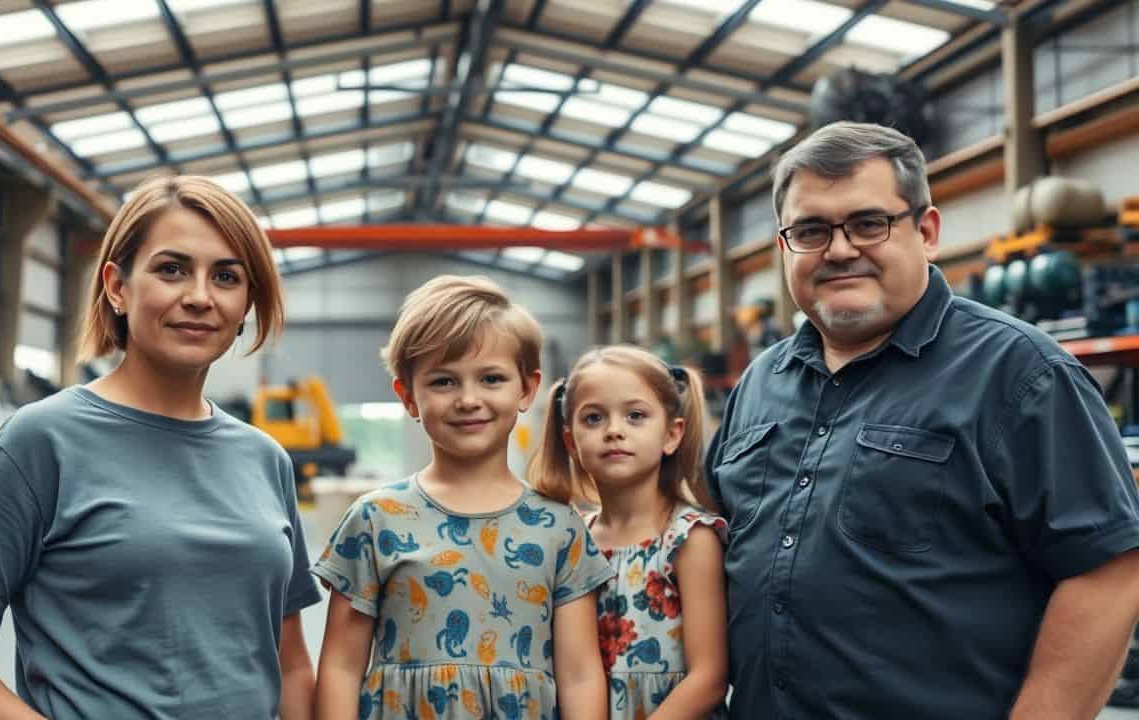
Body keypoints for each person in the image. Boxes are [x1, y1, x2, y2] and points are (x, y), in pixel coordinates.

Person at [706, 121, 1139, 718]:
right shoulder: (759, 383)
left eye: (868, 223)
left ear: (927, 231)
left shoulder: (1020, 375)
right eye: (810, 230)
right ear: (785, 247)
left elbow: (1108, 571)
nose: (839, 249)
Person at [0, 175, 321, 719]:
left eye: (226, 277)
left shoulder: (265, 460)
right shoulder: (39, 443)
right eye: (172, 269)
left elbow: (291, 666)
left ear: (246, 304)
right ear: (117, 287)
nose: (198, 296)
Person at [311, 275, 612, 719]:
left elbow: (581, 673)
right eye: (444, 382)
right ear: (408, 397)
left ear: (527, 389)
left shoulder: (558, 527)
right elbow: (340, 665)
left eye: (491, 378)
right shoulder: (375, 519)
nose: (468, 399)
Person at [530, 345, 729, 719]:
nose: (614, 431)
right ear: (571, 442)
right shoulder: (573, 539)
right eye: (593, 419)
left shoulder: (689, 539)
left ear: (671, 435)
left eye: (635, 416)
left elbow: (710, 676)